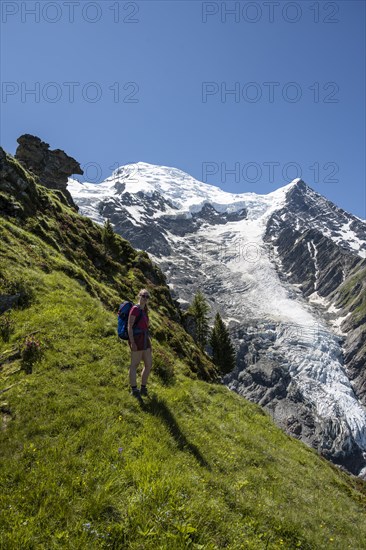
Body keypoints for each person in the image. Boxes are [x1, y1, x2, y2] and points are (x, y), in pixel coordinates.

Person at [128, 289, 152, 397]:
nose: (145, 298)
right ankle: (134, 389)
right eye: (143, 296)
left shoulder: (145, 310)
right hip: (137, 339)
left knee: (148, 364)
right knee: (134, 364)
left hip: (145, 339)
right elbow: (130, 327)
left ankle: (143, 387)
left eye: (147, 297)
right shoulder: (135, 309)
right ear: (139, 296)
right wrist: (132, 342)